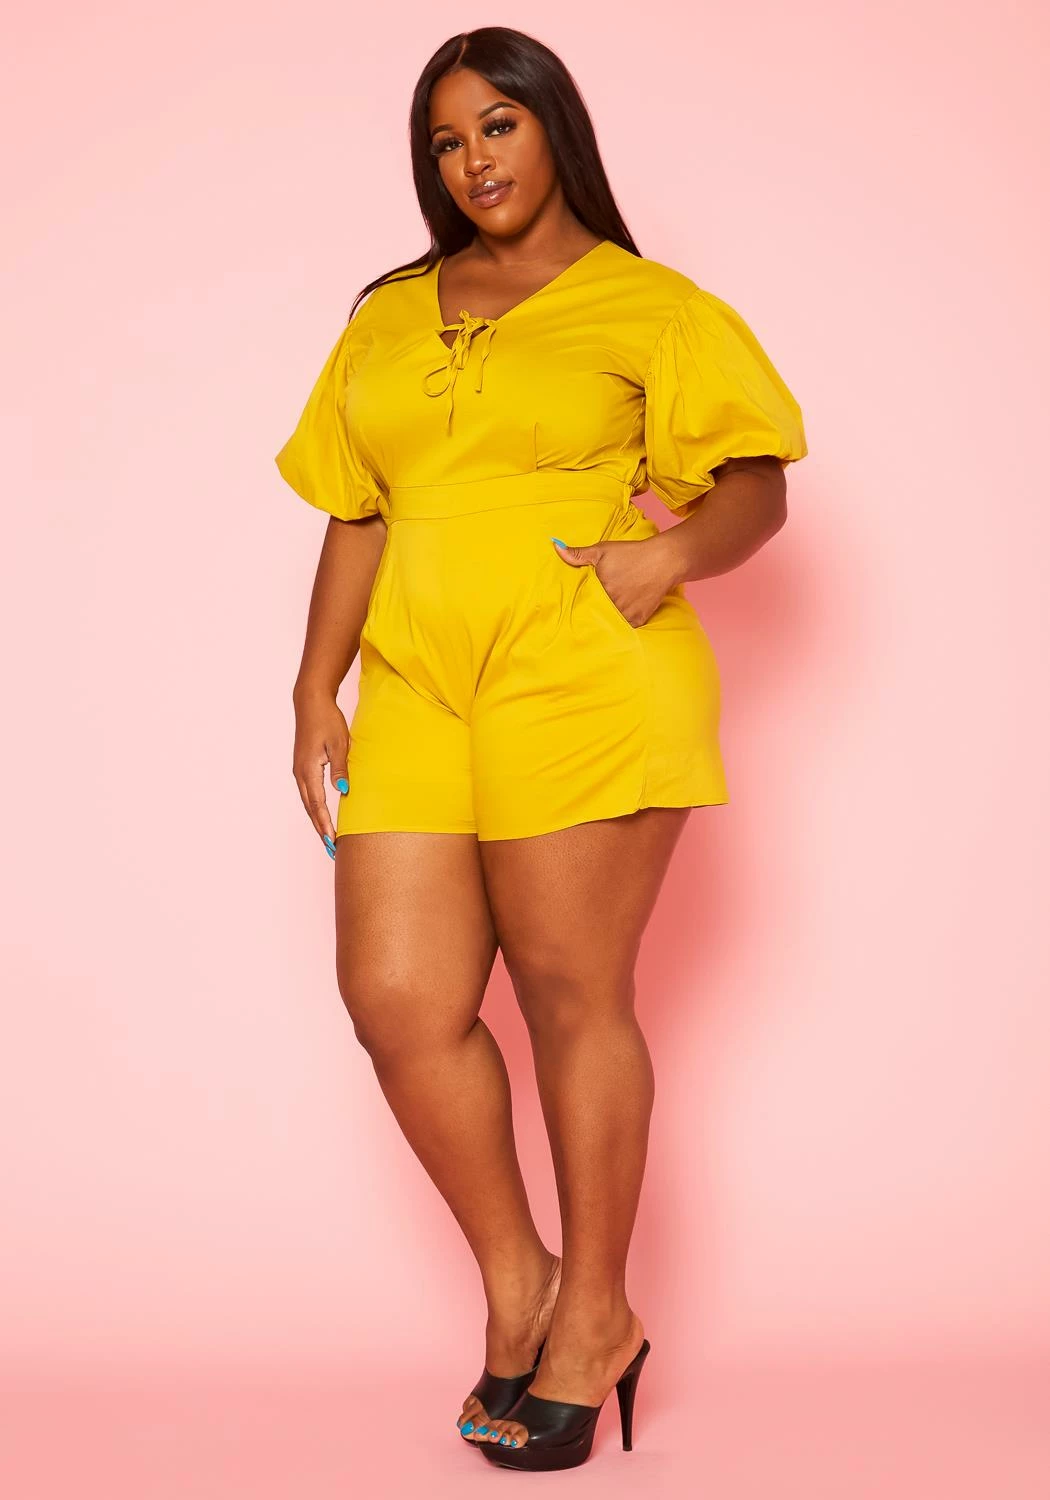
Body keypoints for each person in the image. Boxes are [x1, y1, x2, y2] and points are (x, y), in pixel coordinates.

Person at [274, 26, 807, 1474]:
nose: (474, 161)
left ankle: (597, 1320)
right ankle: (523, 1283)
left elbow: (756, 485)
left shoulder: (651, 306)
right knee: (399, 1000)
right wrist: (315, 688)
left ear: (554, 129)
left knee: (574, 998)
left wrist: (668, 556)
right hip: (415, 684)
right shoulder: (387, 314)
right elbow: (358, 510)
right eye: (446, 141)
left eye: (498, 126)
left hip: (584, 671)